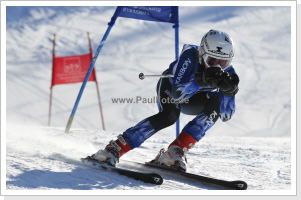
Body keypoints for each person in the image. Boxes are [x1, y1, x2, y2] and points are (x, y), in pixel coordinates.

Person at [89, 29, 239, 172]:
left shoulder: (228, 73)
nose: (218, 67)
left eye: (224, 63)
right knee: (169, 116)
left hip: (195, 100)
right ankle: (114, 149)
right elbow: (178, 93)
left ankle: (174, 151)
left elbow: (226, 115)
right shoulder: (190, 56)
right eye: (212, 60)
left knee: (216, 104)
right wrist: (201, 81)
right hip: (171, 88)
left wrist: (229, 92)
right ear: (202, 53)